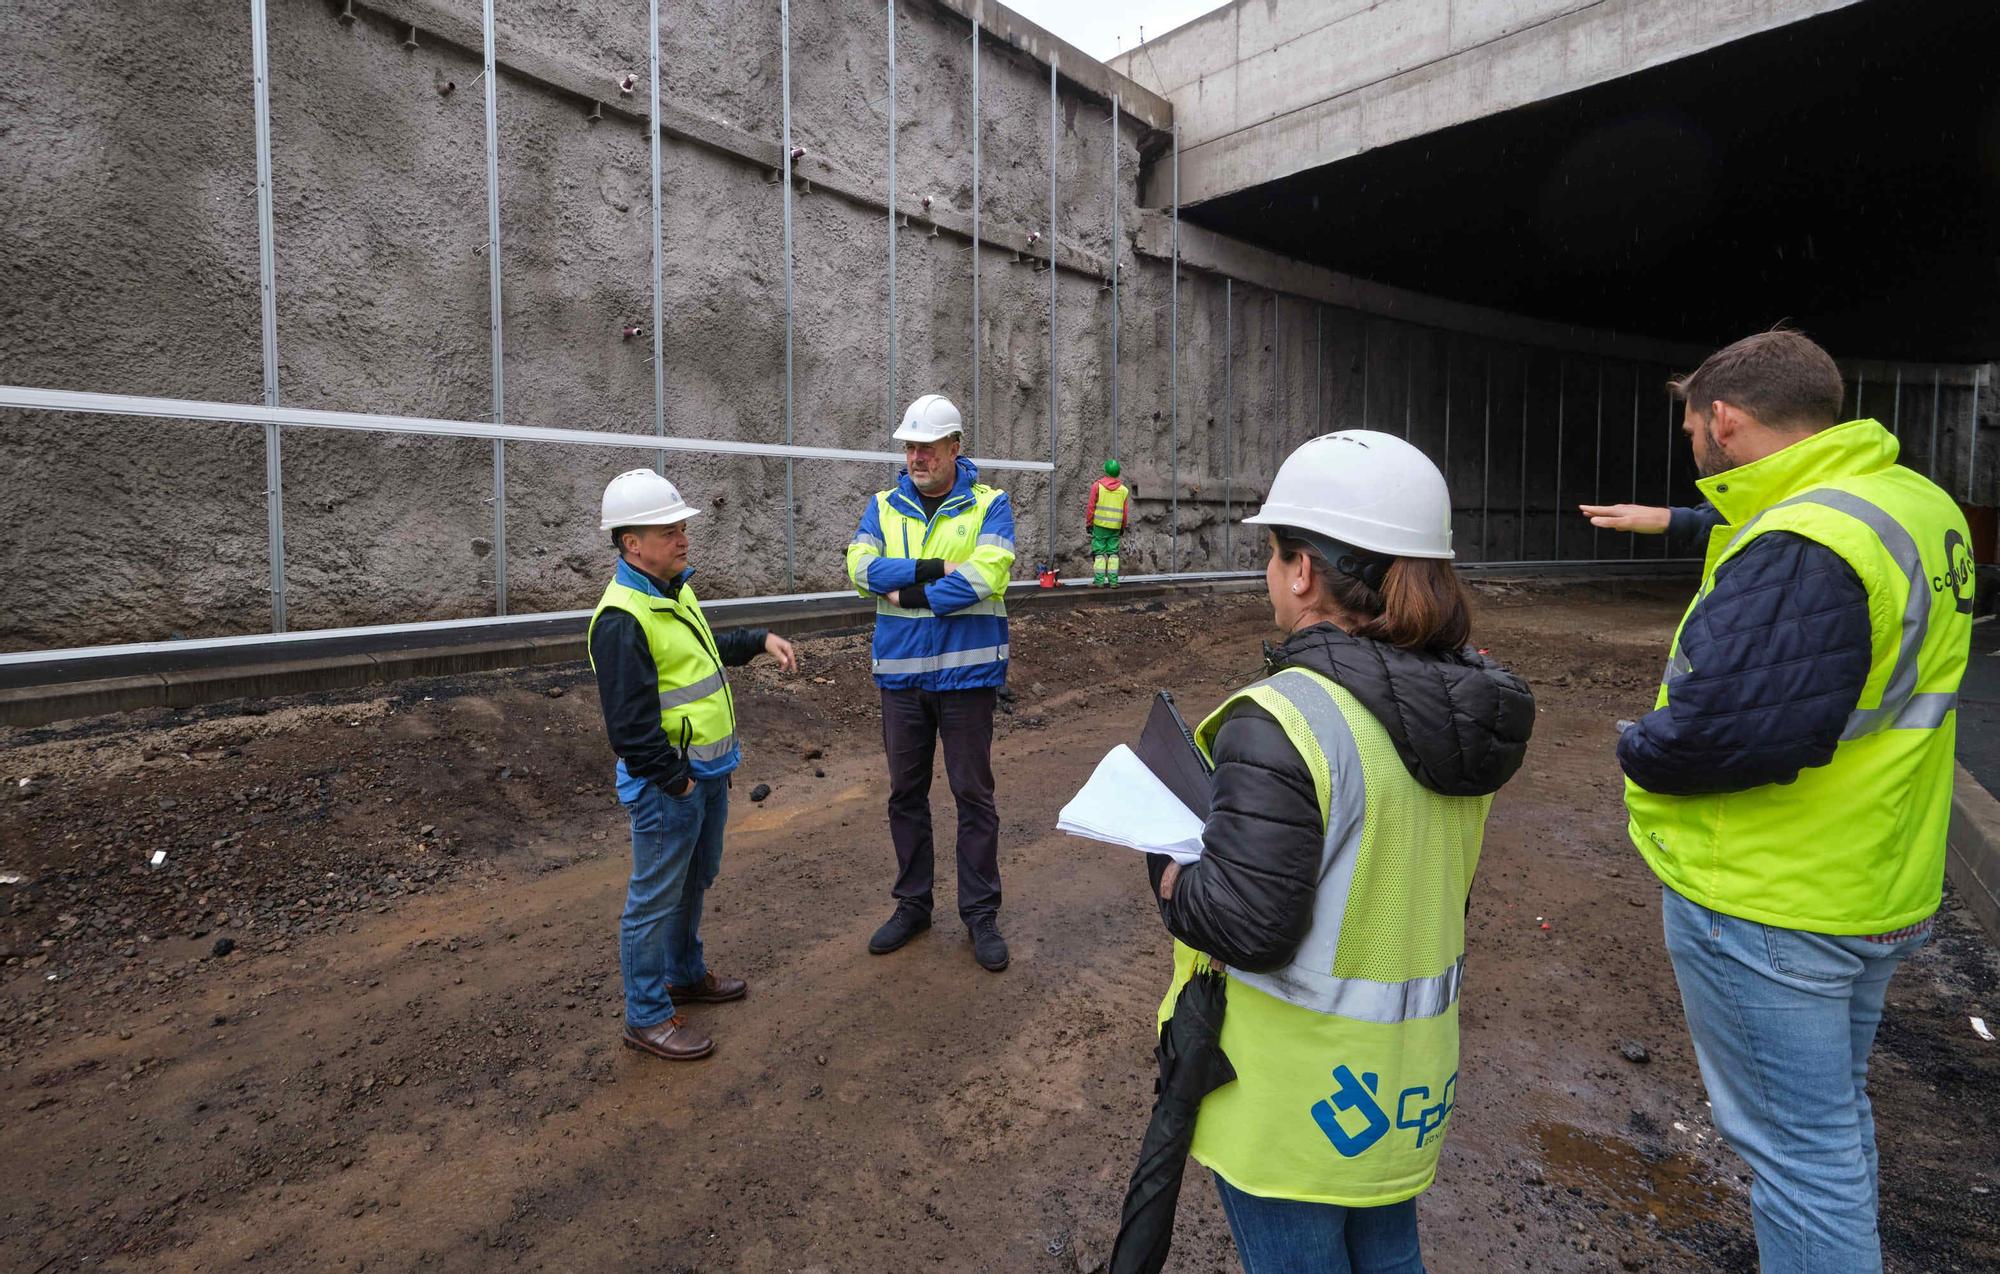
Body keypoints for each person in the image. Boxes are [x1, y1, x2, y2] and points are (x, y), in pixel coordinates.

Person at [1612, 330, 1971, 1273]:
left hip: (1773, 897)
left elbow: (1719, 734)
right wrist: (1675, 524)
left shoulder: (1806, 543)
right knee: (1829, 1126)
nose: (1692, 446)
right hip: (1872, 875)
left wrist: (1636, 747)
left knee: (1799, 1163)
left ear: (1723, 421)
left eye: (1693, 428)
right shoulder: (1912, 504)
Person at [1148, 430, 1533, 1273]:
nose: (1269, 573)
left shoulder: (1284, 716)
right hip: (1401, 1089)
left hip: (1287, 1095)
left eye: (1274, 551)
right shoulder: (1467, 712)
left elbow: (1249, 927)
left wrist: (1171, 874)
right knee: (1390, 1258)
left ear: (1303, 571)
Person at [589, 467, 798, 1062]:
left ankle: (684, 973)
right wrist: (675, 781)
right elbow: (629, 729)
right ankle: (647, 1016)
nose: (684, 539)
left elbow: (704, 654)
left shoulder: (673, 592)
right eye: (670, 531)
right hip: (670, 788)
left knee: (693, 882)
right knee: (653, 898)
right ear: (633, 544)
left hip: (706, 776)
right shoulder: (622, 617)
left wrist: (758, 640)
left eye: (682, 528)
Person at [846, 394, 1018, 971]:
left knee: (973, 797)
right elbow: (861, 569)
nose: (917, 457)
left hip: (967, 678)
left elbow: (988, 574)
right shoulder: (883, 506)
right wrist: (937, 569)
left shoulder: (991, 506)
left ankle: (980, 915)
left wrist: (910, 592)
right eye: (910, 447)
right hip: (901, 681)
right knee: (905, 796)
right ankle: (913, 905)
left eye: (928, 446)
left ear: (955, 447)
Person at [1086, 458, 1132, 587]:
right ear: (1118, 473)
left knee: (1099, 552)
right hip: (1115, 527)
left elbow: (1091, 507)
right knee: (1113, 553)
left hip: (1100, 525)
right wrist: (1122, 527)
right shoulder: (1123, 490)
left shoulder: (1097, 486)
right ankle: (1113, 581)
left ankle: (1099, 582)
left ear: (1105, 471)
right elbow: (1125, 512)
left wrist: (1089, 524)